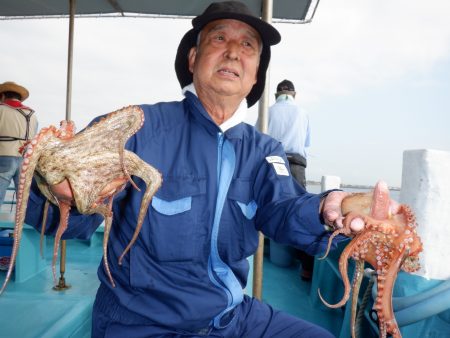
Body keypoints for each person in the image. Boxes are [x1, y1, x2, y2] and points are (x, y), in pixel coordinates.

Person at [23, 2, 398, 337]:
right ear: (192, 59)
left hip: (232, 317)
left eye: (249, 46)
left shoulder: (265, 149)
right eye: (219, 38)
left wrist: (330, 207)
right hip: (141, 323)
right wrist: (56, 191)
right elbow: (73, 224)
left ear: (255, 77)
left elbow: (283, 210)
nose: (234, 52)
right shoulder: (133, 128)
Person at [266, 79, 314, 281]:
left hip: (271, 161)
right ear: (294, 95)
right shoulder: (303, 113)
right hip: (296, 165)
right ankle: (306, 267)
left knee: (266, 205)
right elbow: (306, 143)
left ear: (277, 95)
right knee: (299, 211)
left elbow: (259, 138)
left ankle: (265, 251)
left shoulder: (267, 111)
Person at [0, 81, 38, 206]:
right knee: (23, 202)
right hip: (25, 159)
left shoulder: (1, 109)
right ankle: (21, 225)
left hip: (4, 156)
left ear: (3, 96)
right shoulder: (32, 114)